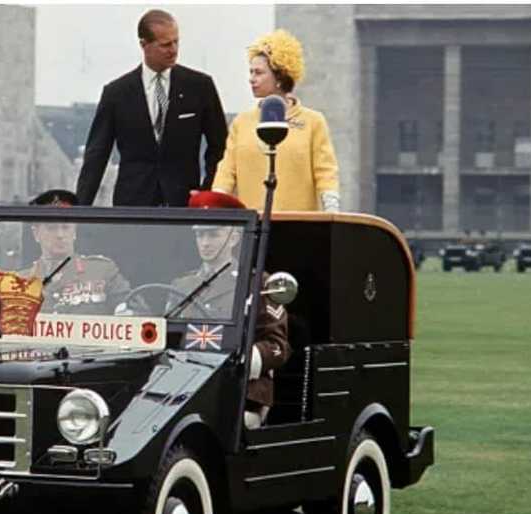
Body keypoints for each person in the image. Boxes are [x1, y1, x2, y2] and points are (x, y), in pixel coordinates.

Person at [76, 9, 227, 207]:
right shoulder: (116, 93)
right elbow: (97, 154)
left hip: (185, 205)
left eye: (176, 42)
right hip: (133, 206)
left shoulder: (200, 87)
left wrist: (206, 193)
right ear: (144, 44)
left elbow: (220, 147)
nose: (173, 50)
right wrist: (79, 210)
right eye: (165, 44)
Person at [181, 190, 289, 428]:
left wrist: (246, 362)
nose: (205, 243)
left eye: (213, 234)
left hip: (241, 393)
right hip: (185, 389)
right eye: (200, 236)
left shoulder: (257, 283)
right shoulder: (182, 285)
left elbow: (278, 347)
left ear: (233, 238)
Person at [210, 29, 340, 212]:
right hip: (253, 226)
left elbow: (326, 172)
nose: (251, 79)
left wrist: (331, 209)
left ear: (279, 77)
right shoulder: (241, 122)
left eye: (258, 73)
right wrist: (215, 202)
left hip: (300, 226)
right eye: (251, 72)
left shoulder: (313, 122)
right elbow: (226, 171)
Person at [21, 189, 131, 314]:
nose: (60, 235)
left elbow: (136, 313)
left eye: (66, 227)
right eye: (51, 228)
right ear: (36, 233)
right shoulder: (19, 283)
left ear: (74, 231)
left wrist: (126, 314)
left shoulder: (102, 271)